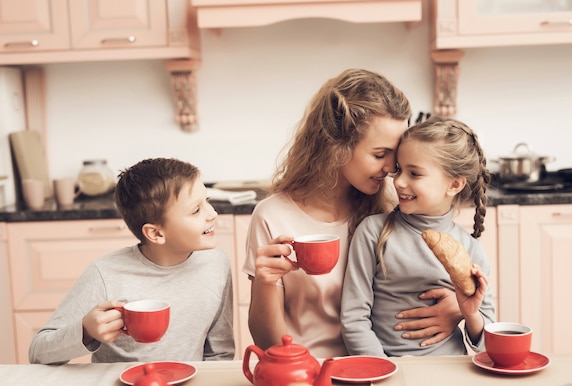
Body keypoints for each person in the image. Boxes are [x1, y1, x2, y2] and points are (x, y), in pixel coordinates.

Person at [244, 68, 463, 359]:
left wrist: (457, 307)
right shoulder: (272, 216)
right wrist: (266, 282)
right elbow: (267, 344)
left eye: (394, 155)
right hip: (309, 372)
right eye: (379, 154)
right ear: (336, 148)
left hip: (383, 368)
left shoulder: (388, 208)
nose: (391, 169)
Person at [29, 158, 235, 364]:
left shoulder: (216, 264)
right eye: (196, 210)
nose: (213, 214)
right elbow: (38, 353)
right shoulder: (106, 273)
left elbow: (220, 353)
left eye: (206, 201)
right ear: (155, 233)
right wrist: (86, 331)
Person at [341, 116, 496, 357]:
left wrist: (469, 313)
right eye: (400, 170)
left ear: (454, 185)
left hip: (449, 368)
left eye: (415, 174)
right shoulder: (373, 231)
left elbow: (487, 344)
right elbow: (354, 320)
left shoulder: (470, 250)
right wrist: (383, 370)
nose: (398, 181)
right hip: (387, 369)